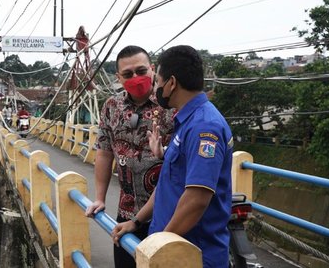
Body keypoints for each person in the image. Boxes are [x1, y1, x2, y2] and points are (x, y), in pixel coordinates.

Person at [112, 45, 233, 267]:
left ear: (172, 83)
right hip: (172, 246)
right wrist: (136, 222)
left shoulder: (204, 127)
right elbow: (168, 183)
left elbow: (196, 199)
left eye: (158, 81)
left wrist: (160, 247)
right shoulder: (186, 121)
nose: (156, 87)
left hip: (191, 255)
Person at [84, 45, 175, 268]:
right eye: (128, 74)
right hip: (126, 213)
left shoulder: (172, 104)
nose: (136, 77)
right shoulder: (111, 107)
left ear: (152, 70)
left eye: (141, 71)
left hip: (167, 213)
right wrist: (100, 198)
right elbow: (104, 153)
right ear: (118, 77)